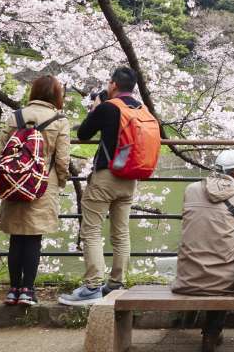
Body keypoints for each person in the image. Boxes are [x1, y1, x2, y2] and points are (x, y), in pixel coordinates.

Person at [59, 66, 145, 306]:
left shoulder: (108, 107)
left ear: (114, 84)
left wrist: (96, 108)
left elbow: (85, 133)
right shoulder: (141, 108)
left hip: (107, 176)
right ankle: (116, 284)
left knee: (92, 231)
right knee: (121, 232)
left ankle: (92, 286)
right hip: (131, 177)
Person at [0, 75, 71, 307]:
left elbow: (2, 152)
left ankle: (13, 290)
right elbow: (62, 160)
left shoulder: (15, 117)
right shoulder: (59, 120)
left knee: (16, 238)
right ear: (56, 95)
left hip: (15, 181)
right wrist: (61, 181)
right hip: (42, 184)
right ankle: (28, 290)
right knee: (33, 238)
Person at [171, 150, 234, 351]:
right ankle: (211, 333)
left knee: (210, 261)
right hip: (225, 281)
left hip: (187, 276)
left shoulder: (191, 189)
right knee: (228, 269)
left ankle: (201, 328)